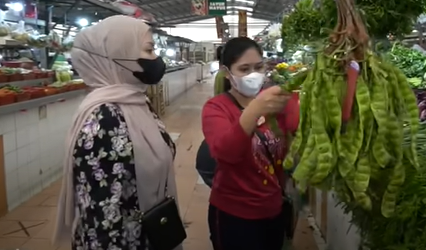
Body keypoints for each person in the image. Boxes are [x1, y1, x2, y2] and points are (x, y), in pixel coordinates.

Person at [53, 16, 182, 250]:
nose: (156, 59)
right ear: (117, 55)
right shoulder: (105, 119)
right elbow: (100, 215)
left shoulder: (134, 103)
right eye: (149, 50)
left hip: (149, 233)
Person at [201, 37, 300, 250]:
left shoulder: (275, 102)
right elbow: (227, 153)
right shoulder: (216, 108)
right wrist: (256, 109)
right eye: (244, 69)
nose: (253, 75)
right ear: (227, 73)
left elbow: (298, 127)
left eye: (258, 67)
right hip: (235, 216)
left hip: (273, 210)